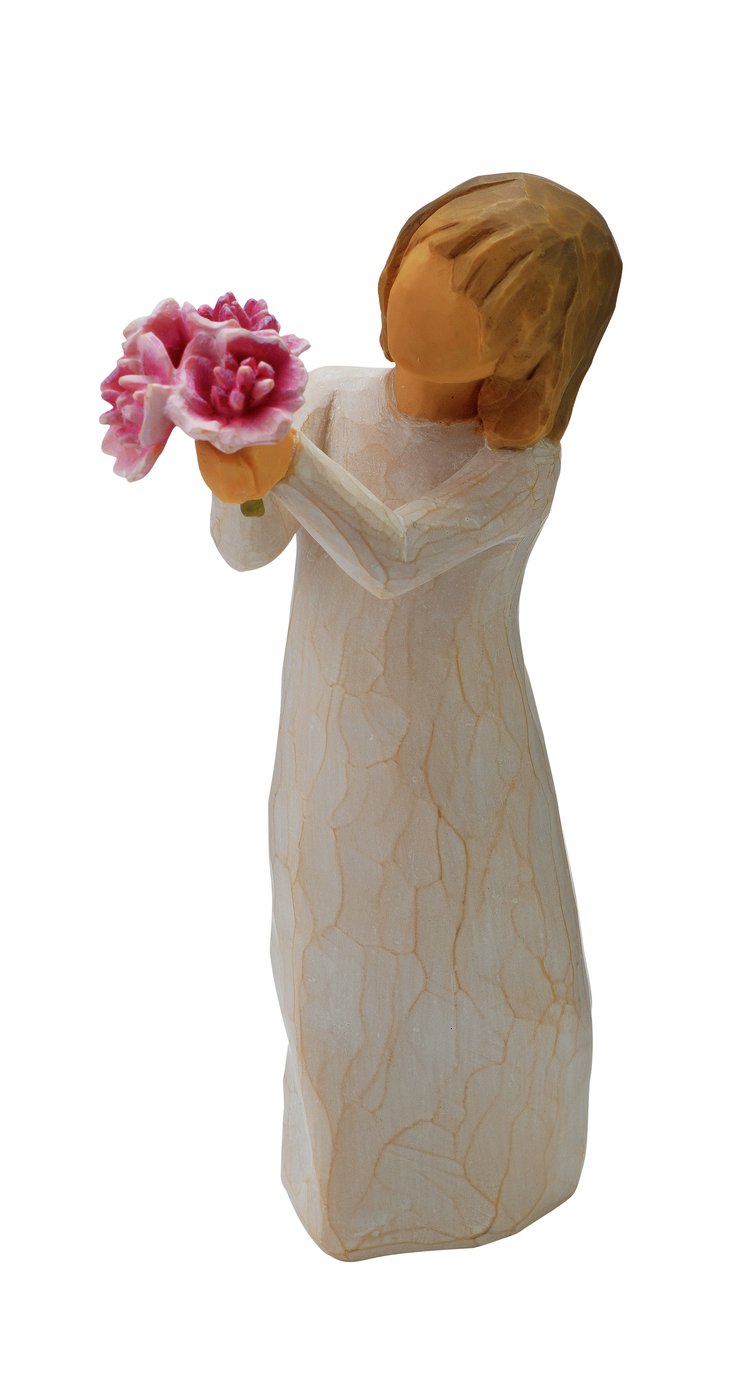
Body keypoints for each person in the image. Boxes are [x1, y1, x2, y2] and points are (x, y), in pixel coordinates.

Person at [198, 173, 622, 1260]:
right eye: (421, 263)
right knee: (332, 957)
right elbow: (247, 550)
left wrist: (280, 455)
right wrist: (237, 476)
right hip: (332, 743)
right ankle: (357, 1187)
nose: (415, 299)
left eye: (468, 300)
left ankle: (500, 1168)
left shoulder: (515, 470)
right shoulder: (335, 399)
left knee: (478, 957)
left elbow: (393, 556)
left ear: (531, 351)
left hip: (464, 763)